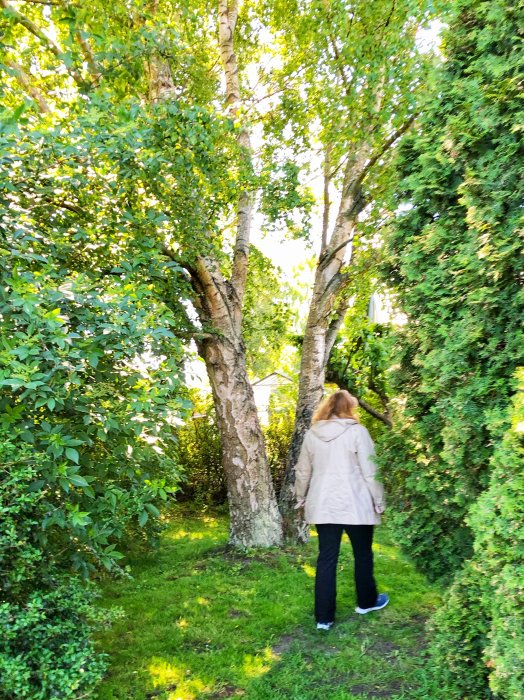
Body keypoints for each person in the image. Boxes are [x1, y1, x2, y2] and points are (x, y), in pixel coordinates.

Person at [294, 389, 388, 630]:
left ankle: (324, 619)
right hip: (356, 504)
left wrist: (300, 496)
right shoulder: (358, 432)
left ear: (327, 408)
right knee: (363, 554)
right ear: (350, 408)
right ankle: (366, 602)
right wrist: (379, 500)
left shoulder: (312, 435)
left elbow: (303, 470)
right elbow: (370, 470)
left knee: (326, 559)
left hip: (324, 504)